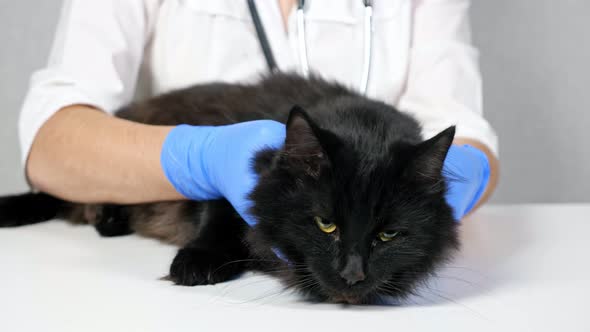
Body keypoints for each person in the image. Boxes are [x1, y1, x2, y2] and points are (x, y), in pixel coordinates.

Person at [19, 0, 499, 225]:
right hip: (191, 248)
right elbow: (51, 141)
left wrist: (459, 175)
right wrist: (198, 158)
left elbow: (458, 126)